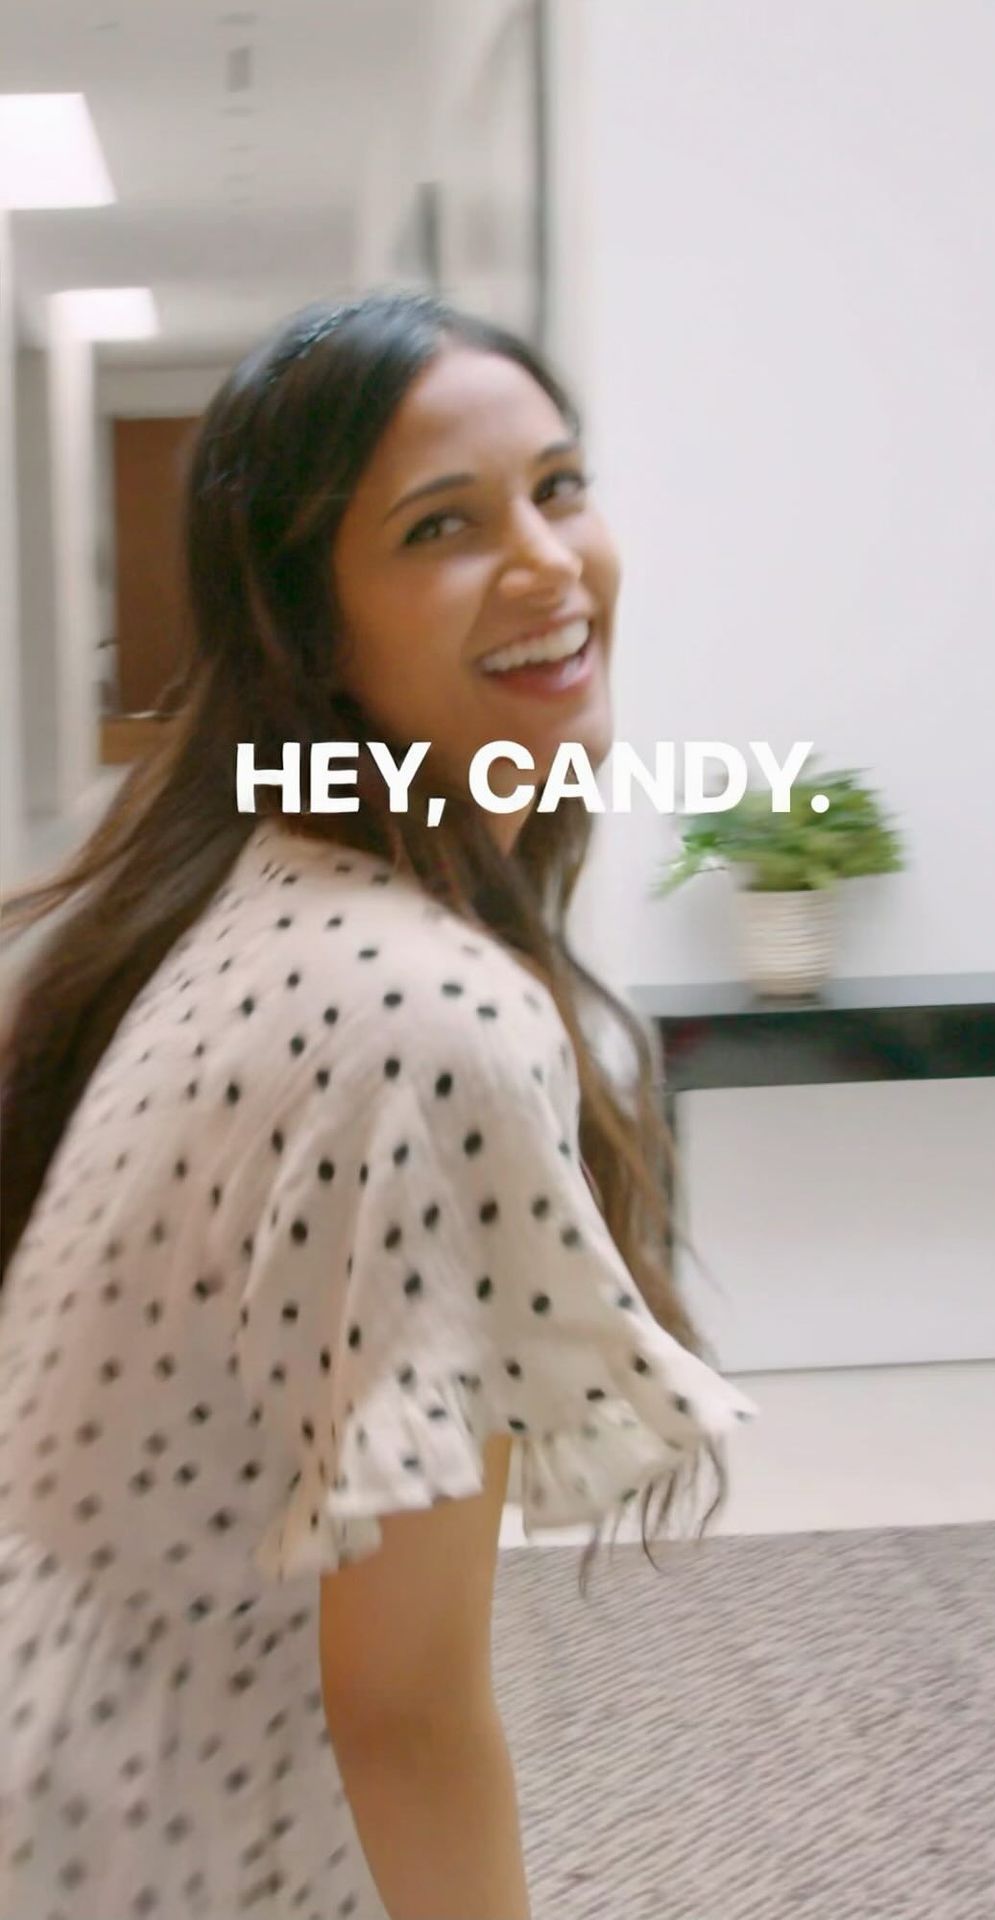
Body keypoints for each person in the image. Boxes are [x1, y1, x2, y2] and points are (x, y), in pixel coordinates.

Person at [0, 291, 757, 1920]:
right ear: (309, 631)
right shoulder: (420, 1015)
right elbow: (402, 1716)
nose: (548, 563)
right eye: (441, 526)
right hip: (148, 1842)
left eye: (559, 487)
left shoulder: (260, 883)